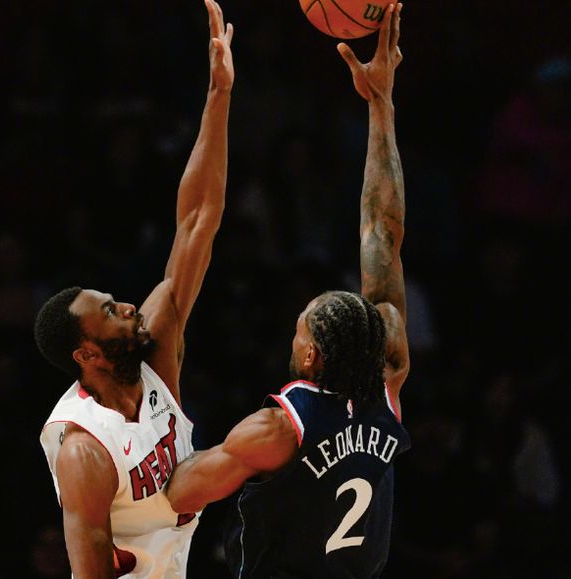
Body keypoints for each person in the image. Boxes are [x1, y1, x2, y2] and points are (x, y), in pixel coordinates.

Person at [166, 4, 409, 578]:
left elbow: (179, 493)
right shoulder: (388, 382)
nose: (292, 336)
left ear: (311, 355)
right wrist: (381, 105)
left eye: (299, 328)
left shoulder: (278, 429)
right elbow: (383, 229)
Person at [33, 1, 234, 577]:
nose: (126, 305)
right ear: (87, 354)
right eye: (108, 312)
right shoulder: (83, 449)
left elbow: (197, 220)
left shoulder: (155, 349)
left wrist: (218, 95)